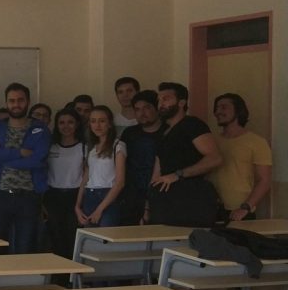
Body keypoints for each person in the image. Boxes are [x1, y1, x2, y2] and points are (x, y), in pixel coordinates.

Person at [0, 83, 50, 255]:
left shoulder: (40, 129)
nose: (16, 104)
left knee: (25, 249)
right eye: (11, 101)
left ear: (28, 101)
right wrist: (20, 152)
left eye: (20, 100)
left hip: (28, 196)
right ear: (6, 103)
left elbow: (38, 160)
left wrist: (3, 157)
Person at [148, 82, 222, 227]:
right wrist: (149, 203)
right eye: (159, 100)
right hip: (163, 200)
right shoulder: (162, 131)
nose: (161, 103)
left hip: (191, 198)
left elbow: (215, 158)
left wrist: (178, 174)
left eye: (166, 99)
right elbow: (158, 169)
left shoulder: (193, 125)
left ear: (181, 102)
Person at [209, 93, 272, 221]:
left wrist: (245, 208)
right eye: (216, 108)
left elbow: (264, 181)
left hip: (239, 211)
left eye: (224, 107)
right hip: (210, 207)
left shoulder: (257, 142)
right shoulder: (211, 141)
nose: (218, 112)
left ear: (238, 110)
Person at [118, 90, 167, 226]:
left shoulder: (168, 131)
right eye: (137, 109)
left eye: (147, 107)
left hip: (161, 194)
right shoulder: (129, 133)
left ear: (157, 108)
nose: (142, 113)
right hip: (131, 196)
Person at [43, 108, 83, 261]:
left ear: (77, 124)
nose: (66, 126)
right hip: (53, 196)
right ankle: (60, 272)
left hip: (75, 196)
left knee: (73, 236)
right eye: (61, 122)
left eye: (70, 122)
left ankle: (73, 272)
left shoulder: (84, 147)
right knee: (56, 237)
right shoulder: (50, 146)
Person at [76, 106, 125, 228]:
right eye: (93, 121)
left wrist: (100, 209)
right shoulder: (91, 147)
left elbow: (120, 182)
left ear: (109, 124)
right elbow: (85, 179)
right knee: (89, 236)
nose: (97, 125)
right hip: (89, 195)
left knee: (105, 235)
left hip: (108, 196)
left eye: (102, 121)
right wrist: (77, 205)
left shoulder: (118, 145)